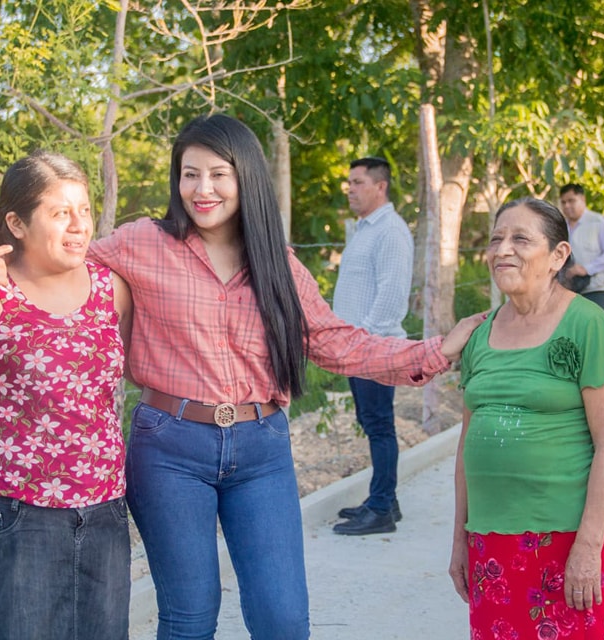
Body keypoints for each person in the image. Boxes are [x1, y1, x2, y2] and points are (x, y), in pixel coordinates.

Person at [86, 113, 487, 640]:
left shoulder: (278, 262)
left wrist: (436, 350)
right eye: (189, 174)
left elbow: (332, 341)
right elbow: (62, 269)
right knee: (189, 617)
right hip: (169, 448)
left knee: (283, 621)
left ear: (245, 176)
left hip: (261, 450)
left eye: (218, 174)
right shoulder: (141, 243)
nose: (202, 189)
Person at [0, 150, 133, 640]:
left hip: (104, 513)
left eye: (84, 210)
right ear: (16, 222)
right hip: (19, 518)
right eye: (61, 213)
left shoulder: (110, 288)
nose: (79, 225)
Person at [448, 196, 604, 639]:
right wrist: (460, 539)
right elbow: (467, 446)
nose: (502, 250)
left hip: (564, 539)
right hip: (491, 539)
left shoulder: (587, 325)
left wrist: (588, 546)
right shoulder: (479, 332)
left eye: (520, 239)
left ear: (558, 256)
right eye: (496, 239)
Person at [331, 156, 412, 536]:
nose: (350, 188)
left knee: (380, 426)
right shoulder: (364, 229)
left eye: (358, 181)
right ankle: (385, 499)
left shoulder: (390, 231)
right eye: (349, 181)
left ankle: (381, 508)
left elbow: (393, 295)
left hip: (373, 349)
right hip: (356, 348)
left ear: (381, 186)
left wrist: (363, 343)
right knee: (371, 424)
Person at [559, 183, 604, 312]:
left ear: (582, 199)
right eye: (563, 202)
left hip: (596, 287)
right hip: (569, 289)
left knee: (593, 327)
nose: (567, 206)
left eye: (571, 201)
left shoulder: (598, 223)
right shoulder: (561, 227)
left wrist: (586, 269)